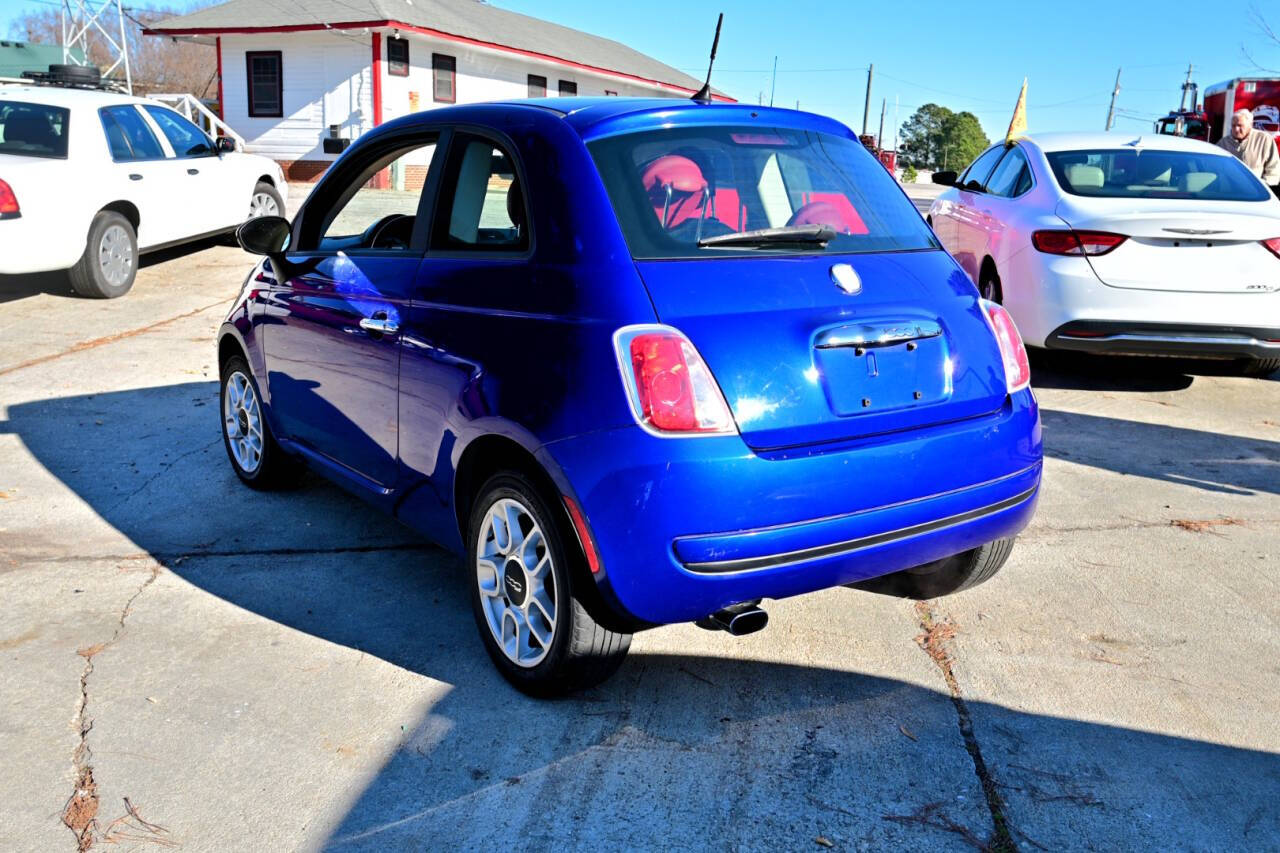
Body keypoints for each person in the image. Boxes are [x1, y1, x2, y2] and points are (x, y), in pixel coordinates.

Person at [1217, 109, 1280, 186]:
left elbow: (1273, 169)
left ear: (1250, 125)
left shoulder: (1264, 139)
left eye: (1240, 125)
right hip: (1228, 191)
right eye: (1233, 125)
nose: (1236, 129)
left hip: (1255, 193)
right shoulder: (1223, 143)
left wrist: (1264, 185)